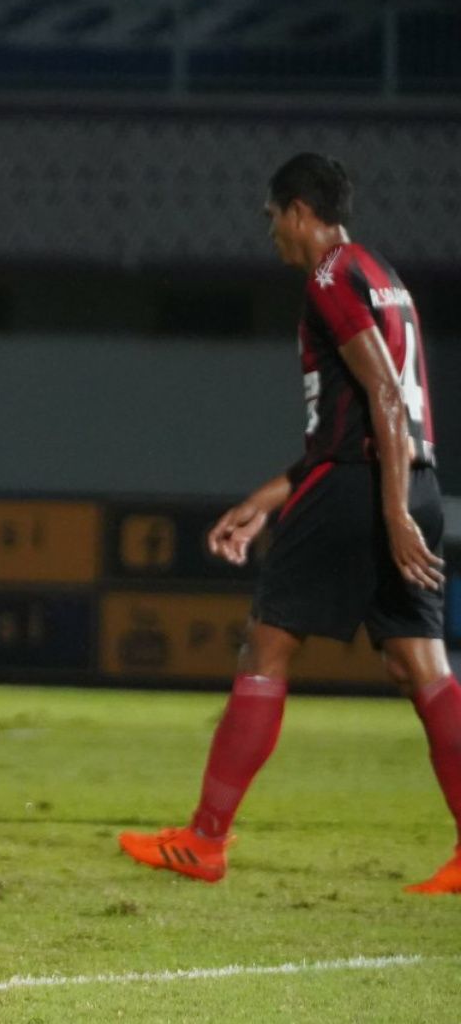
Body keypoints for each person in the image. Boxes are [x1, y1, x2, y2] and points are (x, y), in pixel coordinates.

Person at [119, 153, 461, 894]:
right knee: (420, 666)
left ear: (300, 210)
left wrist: (392, 510)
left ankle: (204, 842)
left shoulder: (331, 278)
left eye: (272, 215)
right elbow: (361, 421)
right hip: (413, 477)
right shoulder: (383, 274)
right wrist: (269, 498)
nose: (270, 230)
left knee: (265, 646)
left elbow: (382, 401)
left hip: (367, 489)